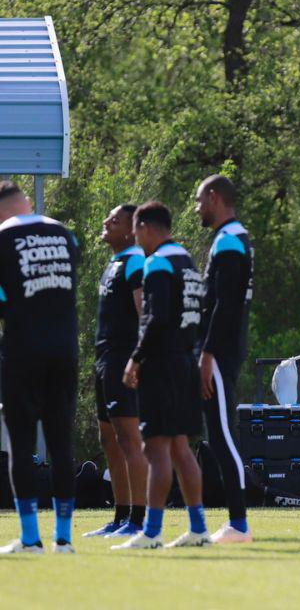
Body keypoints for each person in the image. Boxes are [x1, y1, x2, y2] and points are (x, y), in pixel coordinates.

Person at [113, 202, 210, 549]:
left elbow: (154, 318)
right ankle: (198, 528)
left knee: (155, 449)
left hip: (163, 364)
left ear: (146, 227)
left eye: (136, 231)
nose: (135, 239)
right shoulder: (187, 262)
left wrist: (135, 359)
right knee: (181, 447)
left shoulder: (157, 263)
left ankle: (151, 533)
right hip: (186, 360)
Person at [0, 182, 81, 554]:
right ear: (27, 203)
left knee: (20, 442)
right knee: (61, 443)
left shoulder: (3, 237)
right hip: (65, 348)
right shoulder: (65, 235)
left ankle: (30, 538)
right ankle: (63, 539)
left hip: (22, 350)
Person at [195, 174, 254, 543]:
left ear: (215, 198)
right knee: (216, 438)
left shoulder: (231, 240)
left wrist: (207, 352)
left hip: (219, 354)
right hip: (217, 353)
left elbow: (227, 305)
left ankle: (239, 524)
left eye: (200, 199)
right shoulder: (230, 238)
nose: (197, 207)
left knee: (223, 439)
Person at [84, 205, 148, 539]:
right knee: (108, 438)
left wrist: (139, 359)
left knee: (129, 439)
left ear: (131, 229)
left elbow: (143, 313)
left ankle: (139, 520)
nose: (107, 223)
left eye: (115, 220)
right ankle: (120, 516)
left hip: (124, 359)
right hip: (104, 359)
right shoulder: (115, 261)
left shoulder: (136, 260)